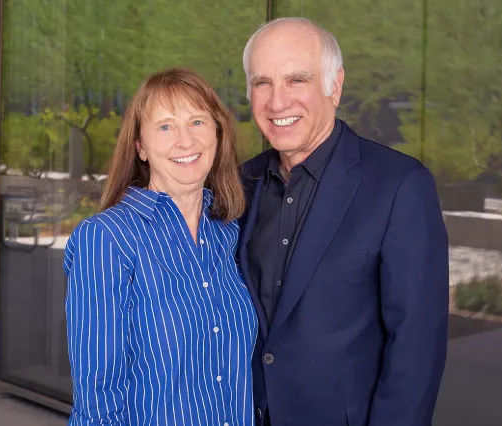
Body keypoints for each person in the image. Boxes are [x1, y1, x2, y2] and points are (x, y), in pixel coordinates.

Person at [238, 17, 449, 426]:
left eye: (296, 79)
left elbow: (416, 345)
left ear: (334, 85)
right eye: (262, 82)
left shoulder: (399, 185)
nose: (277, 102)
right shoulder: (241, 182)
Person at [63, 68, 258, 426]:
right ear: (141, 146)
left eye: (197, 121)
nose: (185, 141)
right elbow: (97, 399)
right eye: (165, 127)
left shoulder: (227, 233)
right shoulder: (107, 238)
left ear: (217, 133)